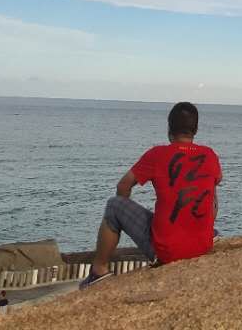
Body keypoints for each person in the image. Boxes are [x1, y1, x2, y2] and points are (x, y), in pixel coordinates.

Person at [80, 101, 222, 288]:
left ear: (169, 129)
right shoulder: (210, 155)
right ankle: (206, 233)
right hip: (202, 246)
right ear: (195, 130)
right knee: (209, 190)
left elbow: (123, 185)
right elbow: (212, 196)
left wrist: (127, 220)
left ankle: (99, 271)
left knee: (114, 205)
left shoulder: (157, 154)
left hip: (168, 252)